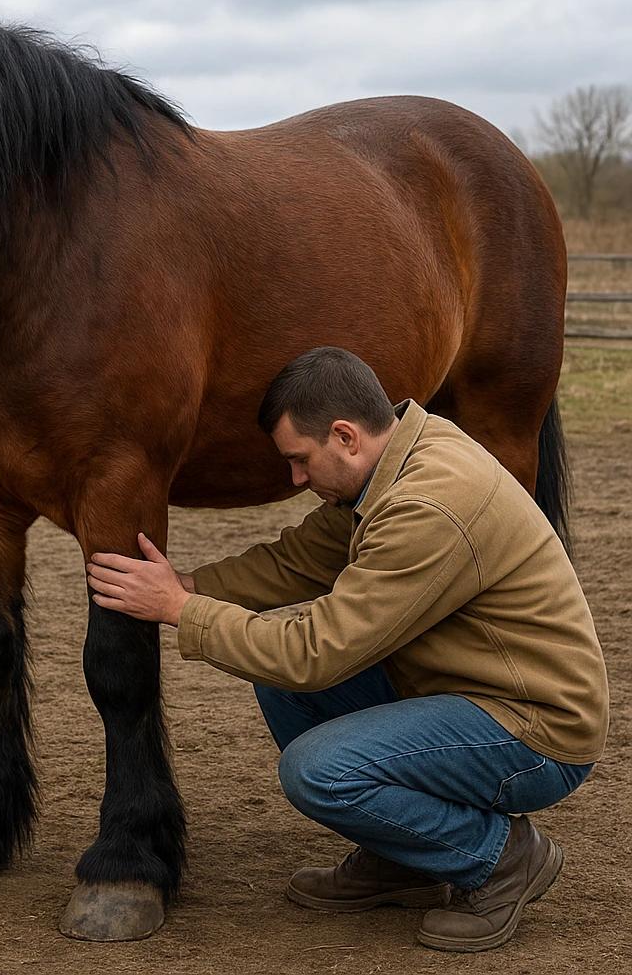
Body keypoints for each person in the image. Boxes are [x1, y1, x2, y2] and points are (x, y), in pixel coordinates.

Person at [85, 346, 608, 953]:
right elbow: (298, 561)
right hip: (474, 693)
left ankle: (502, 858)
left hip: (536, 729)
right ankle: (405, 858)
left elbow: (315, 653)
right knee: (281, 682)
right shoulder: (401, 456)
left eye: (300, 461)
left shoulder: (426, 507)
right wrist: (187, 585)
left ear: (344, 436)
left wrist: (178, 611)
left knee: (318, 770)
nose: (296, 480)